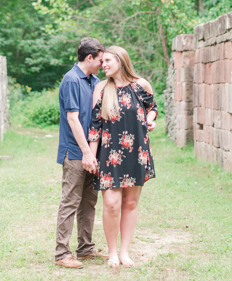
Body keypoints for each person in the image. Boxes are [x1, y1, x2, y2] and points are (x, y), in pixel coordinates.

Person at [88, 46, 157, 268]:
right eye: (102, 62)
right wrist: (91, 155)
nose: (103, 65)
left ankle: (125, 252)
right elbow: (95, 126)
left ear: (121, 60)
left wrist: (151, 118)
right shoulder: (101, 88)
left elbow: (153, 107)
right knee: (110, 204)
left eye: (107, 60)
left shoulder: (140, 85)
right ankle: (112, 253)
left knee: (130, 203)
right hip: (109, 155)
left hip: (137, 153)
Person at [54, 37, 108, 269]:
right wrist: (86, 153)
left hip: (92, 152)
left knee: (89, 202)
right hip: (76, 152)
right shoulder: (71, 80)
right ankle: (62, 254)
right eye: (100, 60)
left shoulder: (93, 80)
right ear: (89, 58)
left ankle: (85, 249)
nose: (102, 64)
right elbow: (73, 119)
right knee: (70, 201)